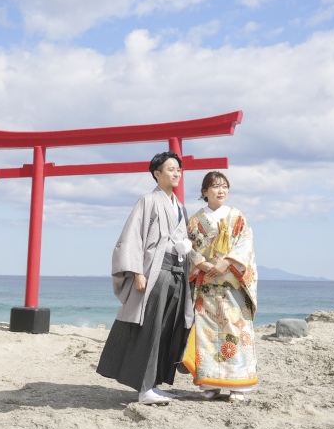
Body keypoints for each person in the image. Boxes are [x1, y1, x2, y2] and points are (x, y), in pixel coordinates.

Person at [96, 151, 194, 405]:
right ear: (157, 174)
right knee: (149, 327)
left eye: (179, 169)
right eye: (170, 169)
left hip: (177, 271)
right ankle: (143, 388)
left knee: (167, 328)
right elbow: (131, 237)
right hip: (154, 272)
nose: (176, 173)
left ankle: (154, 384)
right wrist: (136, 272)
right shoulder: (147, 201)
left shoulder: (180, 207)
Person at [180, 171, 258, 402]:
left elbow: (246, 244)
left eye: (224, 186)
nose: (221, 190)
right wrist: (201, 264)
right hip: (206, 284)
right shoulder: (195, 220)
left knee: (235, 330)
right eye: (215, 186)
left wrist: (226, 261)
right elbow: (188, 246)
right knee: (207, 332)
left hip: (232, 283)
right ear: (204, 192)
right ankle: (209, 384)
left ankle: (238, 385)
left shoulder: (237, 216)